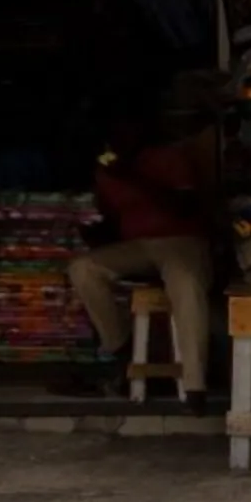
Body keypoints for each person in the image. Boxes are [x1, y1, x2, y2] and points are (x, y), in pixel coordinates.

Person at [62, 98, 214, 412]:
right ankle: (119, 348)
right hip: (139, 246)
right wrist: (89, 230)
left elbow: (184, 207)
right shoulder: (107, 171)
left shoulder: (168, 157)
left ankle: (195, 386)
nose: (120, 138)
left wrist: (132, 175)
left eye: (126, 131)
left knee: (185, 285)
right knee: (83, 269)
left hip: (181, 240)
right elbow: (113, 220)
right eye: (114, 134)